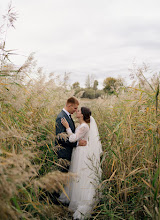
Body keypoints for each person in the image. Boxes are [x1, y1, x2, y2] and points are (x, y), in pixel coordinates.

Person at [59, 107, 102, 219]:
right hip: (79, 151)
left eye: (78, 111)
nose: (76, 112)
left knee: (81, 175)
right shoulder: (82, 125)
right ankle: (74, 197)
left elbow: (73, 139)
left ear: (82, 115)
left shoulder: (84, 126)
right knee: (77, 174)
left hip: (82, 153)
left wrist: (67, 127)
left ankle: (81, 201)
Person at [55, 97, 86, 172]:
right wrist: (77, 143)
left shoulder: (67, 116)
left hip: (68, 152)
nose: (76, 111)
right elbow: (61, 138)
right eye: (75, 108)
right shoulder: (61, 117)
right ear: (69, 106)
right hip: (63, 153)